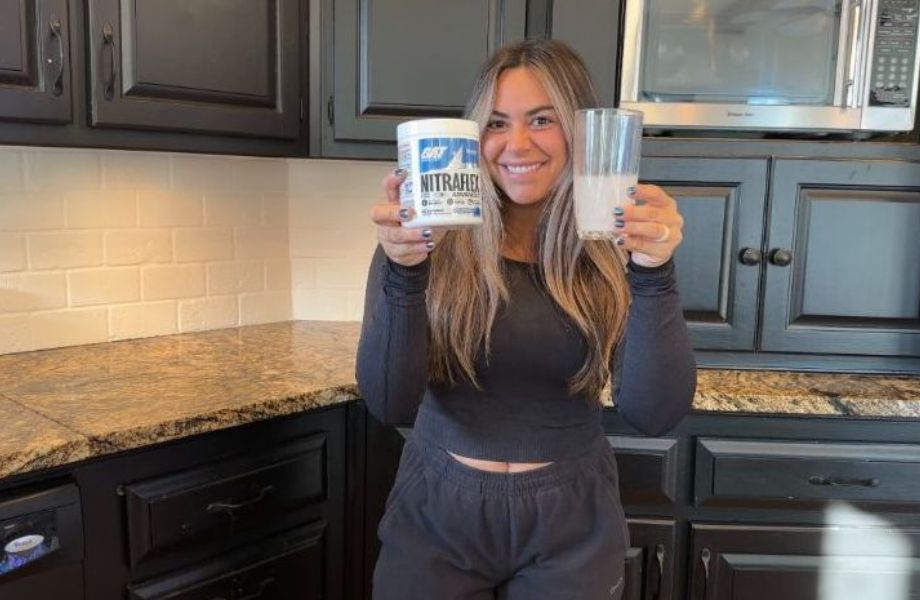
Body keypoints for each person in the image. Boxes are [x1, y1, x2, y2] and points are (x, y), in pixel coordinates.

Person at [356, 39, 696, 600]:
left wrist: (655, 272)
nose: (516, 144)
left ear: (577, 131)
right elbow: (390, 403)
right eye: (496, 123)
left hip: (572, 519)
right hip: (437, 511)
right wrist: (402, 272)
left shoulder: (611, 240)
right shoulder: (426, 239)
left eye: (541, 119)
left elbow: (655, 412)